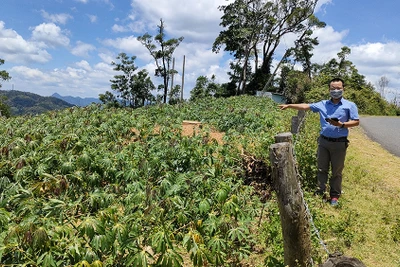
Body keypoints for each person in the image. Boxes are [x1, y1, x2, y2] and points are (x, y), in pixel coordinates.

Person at [278, 77, 359, 206]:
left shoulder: (349, 105)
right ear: (329, 90)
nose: (336, 91)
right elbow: (305, 106)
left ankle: (334, 196)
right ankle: (320, 191)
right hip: (323, 142)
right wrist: (289, 105)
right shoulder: (322, 104)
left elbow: (356, 121)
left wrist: (341, 125)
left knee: (337, 171)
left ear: (343, 89)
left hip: (339, 143)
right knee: (321, 168)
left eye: (338, 88)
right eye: (333, 88)